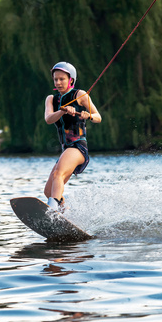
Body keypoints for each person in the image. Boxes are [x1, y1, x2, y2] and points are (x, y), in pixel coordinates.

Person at [44, 61, 102, 211]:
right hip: (66, 150)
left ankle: (51, 211)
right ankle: (66, 213)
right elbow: (49, 119)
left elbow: (98, 117)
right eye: (55, 79)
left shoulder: (80, 95)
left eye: (62, 79)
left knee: (58, 174)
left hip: (78, 147)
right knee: (48, 191)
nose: (58, 82)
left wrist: (87, 115)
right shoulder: (51, 99)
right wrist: (62, 111)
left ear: (71, 80)